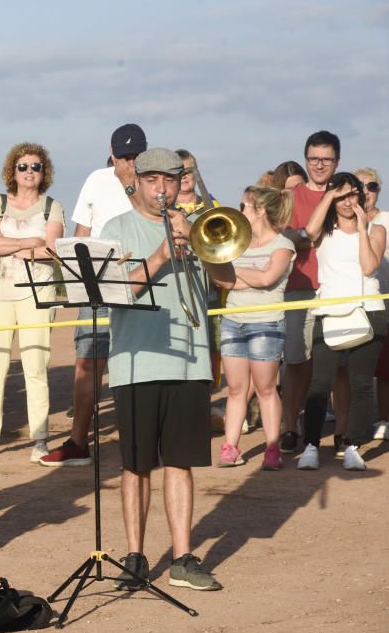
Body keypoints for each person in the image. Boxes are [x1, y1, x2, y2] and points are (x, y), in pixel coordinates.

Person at [101, 148, 234, 592]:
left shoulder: (195, 224)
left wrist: (197, 239)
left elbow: (227, 279)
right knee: (136, 465)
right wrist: (161, 254)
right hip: (136, 361)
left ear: (181, 184)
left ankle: (182, 557)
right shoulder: (116, 228)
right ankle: (135, 557)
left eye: (170, 180)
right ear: (136, 180)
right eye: (153, 179)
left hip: (189, 360)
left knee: (181, 462)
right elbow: (116, 292)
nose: (162, 188)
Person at [42, 124, 145, 467]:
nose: (129, 162)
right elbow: (80, 233)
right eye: (124, 156)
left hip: (139, 282)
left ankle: (140, 440)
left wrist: (131, 184)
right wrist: (76, 279)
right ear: (112, 154)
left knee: (134, 362)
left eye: (135, 156)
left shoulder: (151, 180)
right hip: (97, 283)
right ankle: (78, 439)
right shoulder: (96, 179)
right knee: (87, 361)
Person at [0, 142, 63, 463]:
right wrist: (27, 243)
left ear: (43, 171)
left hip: (37, 293)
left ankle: (40, 439)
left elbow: (51, 251)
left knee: (36, 365)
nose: (29, 172)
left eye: (35, 166)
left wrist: (13, 246)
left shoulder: (52, 206)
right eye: (23, 166)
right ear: (13, 170)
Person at [298, 172, 386, 471]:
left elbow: (370, 267)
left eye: (353, 195)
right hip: (330, 312)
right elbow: (308, 233)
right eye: (342, 195)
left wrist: (362, 228)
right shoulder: (325, 230)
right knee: (320, 383)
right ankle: (310, 445)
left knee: (361, 384)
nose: (348, 202)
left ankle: (353, 444)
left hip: (368, 311)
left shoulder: (377, 229)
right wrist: (328, 196)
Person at [217, 185, 295, 470]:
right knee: (236, 389)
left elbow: (267, 279)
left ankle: (272, 448)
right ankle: (230, 447)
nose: (240, 211)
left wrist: (235, 272)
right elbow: (224, 282)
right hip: (233, 320)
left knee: (265, 388)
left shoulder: (283, 245)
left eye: (244, 206)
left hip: (267, 321)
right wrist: (247, 275)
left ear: (260, 209)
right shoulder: (237, 242)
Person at [279, 131, 342, 455]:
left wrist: (306, 237)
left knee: (335, 363)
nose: (319, 165)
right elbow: (286, 238)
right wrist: (307, 236)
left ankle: (341, 430)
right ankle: (290, 426)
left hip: (336, 287)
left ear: (337, 162)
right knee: (296, 361)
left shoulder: (344, 194)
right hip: (299, 287)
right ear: (305, 160)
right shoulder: (292, 197)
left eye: (326, 159)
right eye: (314, 159)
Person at [358, 167, 389, 440]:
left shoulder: (387, 221)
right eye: (361, 186)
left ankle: (383, 418)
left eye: (372, 186)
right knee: (356, 368)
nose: (367, 191)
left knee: (385, 368)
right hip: (352, 303)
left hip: (383, 302)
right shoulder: (342, 222)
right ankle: (356, 422)